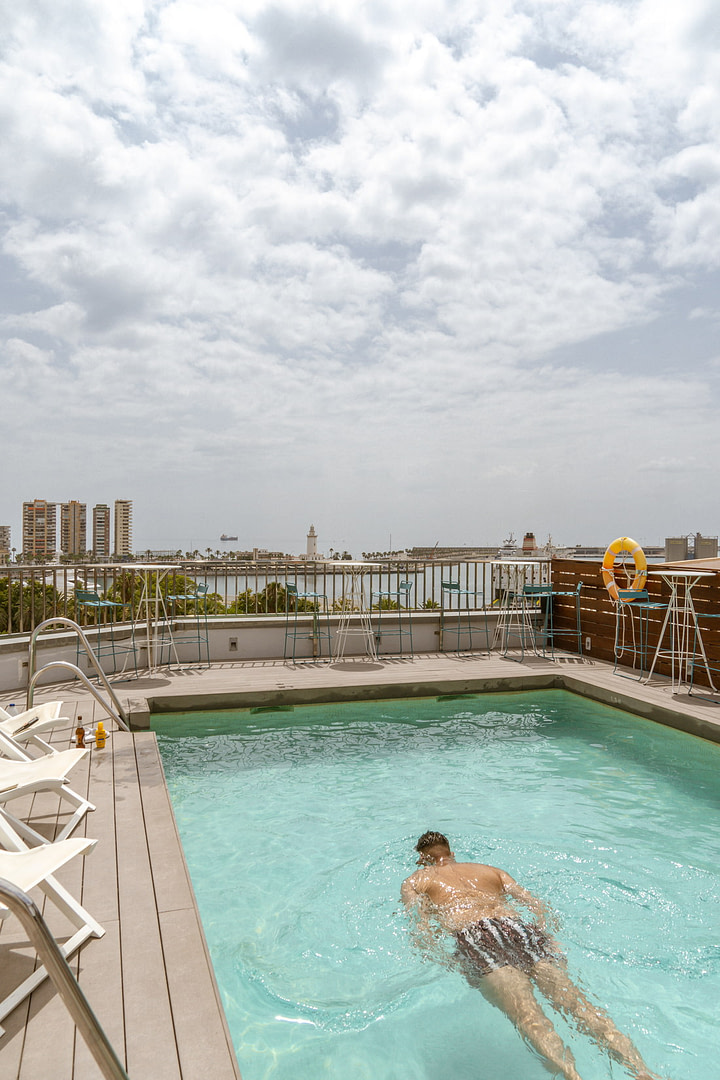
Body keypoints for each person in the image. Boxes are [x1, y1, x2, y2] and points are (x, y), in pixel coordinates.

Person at [401, 831, 662, 1080]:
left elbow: (421, 926)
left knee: (528, 1014)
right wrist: (550, 939)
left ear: (421, 859)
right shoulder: (491, 871)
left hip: (475, 934)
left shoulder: (416, 881)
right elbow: (537, 905)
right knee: (579, 1005)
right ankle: (641, 1069)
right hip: (520, 929)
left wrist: (446, 959)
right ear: (452, 853)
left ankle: (572, 1075)